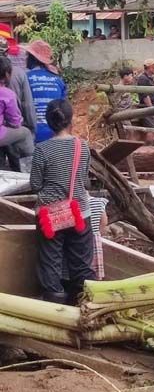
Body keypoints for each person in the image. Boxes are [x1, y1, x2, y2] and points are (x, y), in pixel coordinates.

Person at [31, 99, 94, 305]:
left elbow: (35, 184)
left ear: (49, 122)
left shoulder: (42, 149)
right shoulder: (82, 146)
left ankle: (55, 305)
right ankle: (85, 304)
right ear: (71, 120)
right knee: (81, 265)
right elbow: (84, 180)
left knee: (50, 262)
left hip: (50, 216)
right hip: (78, 213)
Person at [25, 40, 67, 143]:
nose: (25, 59)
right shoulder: (58, 80)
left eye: (27, 56)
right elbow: (64, 108)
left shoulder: (25, 78)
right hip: (55, 134)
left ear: (32, 58)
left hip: (32, 135)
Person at [0, 57, 34, 169]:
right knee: (25, 133)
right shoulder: (7, 94)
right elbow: (15, 122)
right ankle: (29, 171)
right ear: (6, 74)